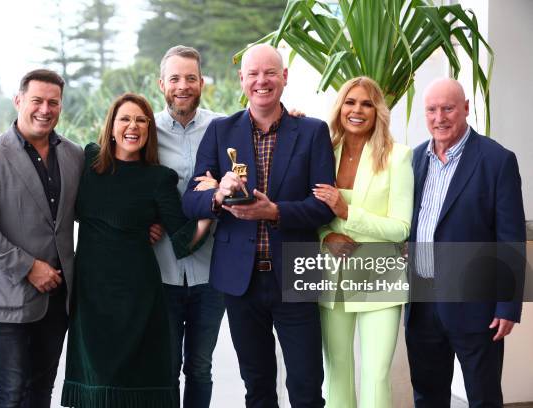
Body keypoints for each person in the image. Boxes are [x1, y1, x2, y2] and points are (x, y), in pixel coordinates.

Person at [182, 44, 335, 408]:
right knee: (258, 387)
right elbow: (191, 199)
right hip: (240, 281)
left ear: (284, 77)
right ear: (242, 80)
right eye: (253, 74)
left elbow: (323, 208)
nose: (261, 81)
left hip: (297, 274)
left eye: (270, 73)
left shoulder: (312, 131)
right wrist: (218, 193)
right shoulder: (222, 132)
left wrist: (275, 212)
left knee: (307, 387)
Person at [61, 93, 213, 408]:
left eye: (141, 120)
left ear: (149, 130)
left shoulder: (158, 179)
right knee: (96, 387)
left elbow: (184, 240)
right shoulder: (89, 161)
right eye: (125, 119)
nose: (133, 126)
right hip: (91, 297)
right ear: (111, 126)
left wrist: (211, 205)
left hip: (138, 298)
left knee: (139, 387)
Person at [0, 69, 84, 408]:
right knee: (10, 391)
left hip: (59, 297)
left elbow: (92, 210)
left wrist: (143, 225)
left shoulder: (74, 155)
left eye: (53, 102)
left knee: (41, 390)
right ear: (19, 101)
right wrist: (29, 267)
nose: (45, 109)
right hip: (7, 295)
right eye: (37, 101)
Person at [405, 78, 526, 407]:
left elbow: (510, 237)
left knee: (483, 397)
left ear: (466, 109)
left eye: (448, 108)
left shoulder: (497, 160)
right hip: (422, 303)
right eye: (431, 110)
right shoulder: (413, 161)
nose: (439, 117)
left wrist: (507, 305)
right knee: (427, 396)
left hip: (477, 305)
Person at [313, 76, 414, 408]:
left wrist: (347, 211)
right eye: (350, 102)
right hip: (331, 276)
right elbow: (307, 212)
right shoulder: (323, 151)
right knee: (336, 371)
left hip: (379, 276)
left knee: (375, 375)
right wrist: (326, 235)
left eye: (367, 103)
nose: (357, 110)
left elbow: (401, 227)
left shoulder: (398, 157)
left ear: (378, 111)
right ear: (340, 107)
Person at [151, 45, 226, 408]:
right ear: (161, 83)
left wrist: (293, 115)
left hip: (212, 273)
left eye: (191, 78)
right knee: (164, 367)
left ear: (202, 83)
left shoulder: (225, 127)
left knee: (200, 366)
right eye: (175, 78)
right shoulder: (144, 129)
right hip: (160, 270)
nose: (183, 86)